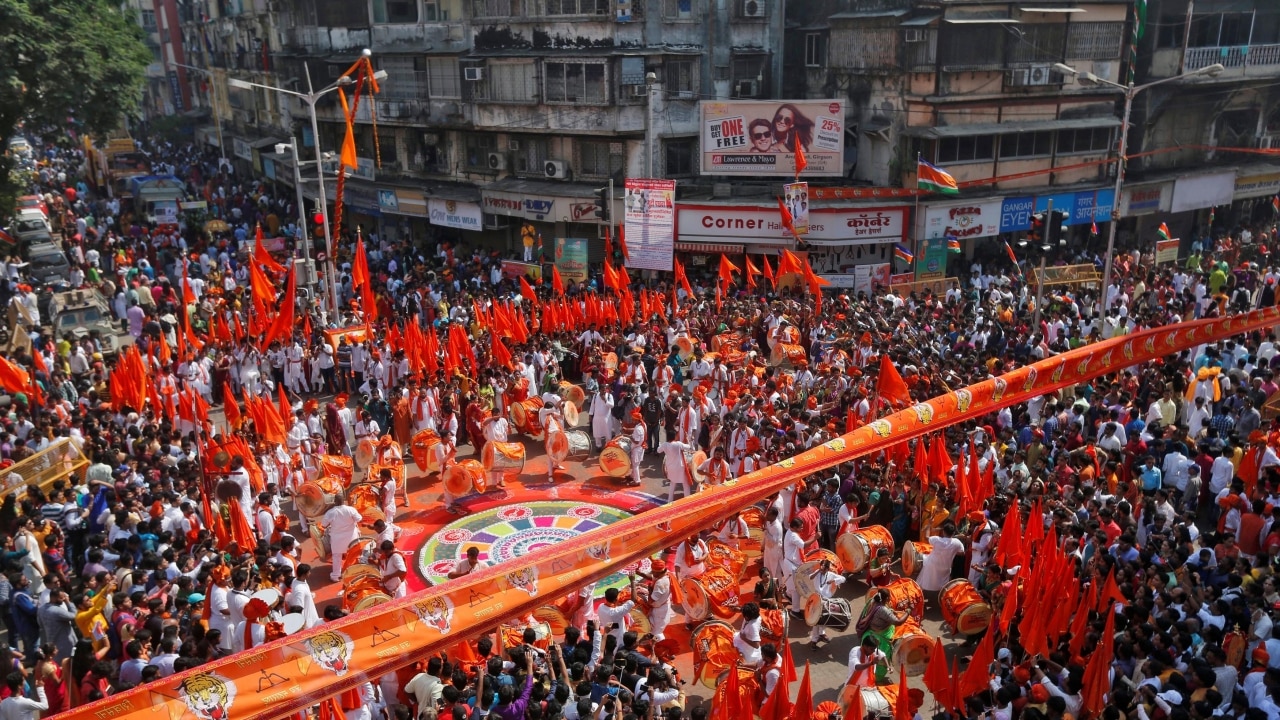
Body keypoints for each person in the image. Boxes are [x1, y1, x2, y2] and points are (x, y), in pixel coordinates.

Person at [918, 523, 966, 605]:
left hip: (932, 564)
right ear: (953, 533)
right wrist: (952, 552)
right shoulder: (957, 542)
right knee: (942, 585)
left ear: (943, 532)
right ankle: (941, 600)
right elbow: (962, 553)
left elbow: (926, 538)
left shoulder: (937, 539)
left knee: (923, 581)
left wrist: (928, 527)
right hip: (945, 566)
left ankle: (918, 597)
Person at [322, 493, 363, 583]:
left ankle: (336, 576)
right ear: (344, 500)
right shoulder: (351, 509)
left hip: (337, 540)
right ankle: (354, 572)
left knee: (337, 557)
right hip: (352, 537)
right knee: (354, 555)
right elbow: (359, 519)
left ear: (334, 501)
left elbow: (324, 525)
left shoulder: (330, 512)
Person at [804, 558, 845, 646]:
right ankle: (814, 640)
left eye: (824, 569)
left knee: (825, 618)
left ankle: (822, 633)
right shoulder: (817, 574)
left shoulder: (830, 574)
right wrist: (818, 571)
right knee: (816, 620)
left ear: (827, 569)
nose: (823, 571)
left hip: (827, 600)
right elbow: (810, 577)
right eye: (821, 568)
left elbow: (843, 579)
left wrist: (834, 580)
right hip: (817, 599)